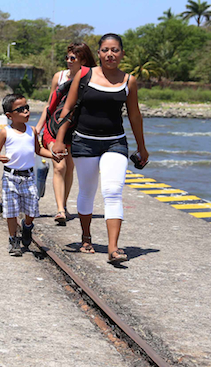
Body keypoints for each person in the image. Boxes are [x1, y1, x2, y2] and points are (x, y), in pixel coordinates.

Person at [53, 34, 149, 265]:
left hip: (115, 142)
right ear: (98, 53)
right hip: (84, 142)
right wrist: (59, 140)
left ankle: (113, 248)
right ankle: (86, 237)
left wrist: (142, 147)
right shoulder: (84, 74)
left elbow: (135, 116)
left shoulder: (129, 81)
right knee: (87, 190)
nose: (110, 54)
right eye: (105, 50)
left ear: (122, 53)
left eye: (115, 50)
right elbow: (68, 108)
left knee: (113, 190)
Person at [35, 42, 96, 226]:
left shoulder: (90, 78)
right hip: (54, 128)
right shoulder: (59, 76)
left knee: (69, 168)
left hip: (76, 129)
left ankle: (64, 205)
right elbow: (50, 104)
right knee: (59, 166)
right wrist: (38, 128)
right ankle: (60, 209)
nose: (69, 61)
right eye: (67, 57)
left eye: (73, 58)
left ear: (83, 60)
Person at [0, 94, 56, 256]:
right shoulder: (5, 132)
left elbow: (38, 150)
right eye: (21, 110)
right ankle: (13, 239)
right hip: (10, 177)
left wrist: (53, 155)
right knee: (11, 211)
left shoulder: (32, 131)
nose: (26, 112)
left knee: (32, 209)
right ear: (9, 116)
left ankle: (27, 226)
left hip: (28, 177)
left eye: (27, 108)